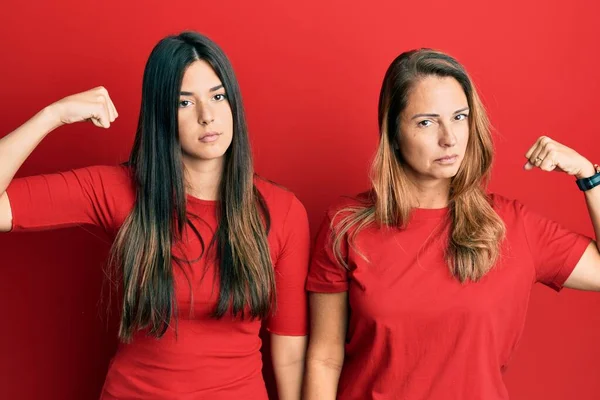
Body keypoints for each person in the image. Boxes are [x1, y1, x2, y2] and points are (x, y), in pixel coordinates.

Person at [0, 31, 309, 400]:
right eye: (184, 103)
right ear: (161, 114)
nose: (207, 116)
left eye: (217, 95)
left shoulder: (281, 211)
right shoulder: (120, 190)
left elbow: (289, 353)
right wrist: (54, 115)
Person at [303, 48, 600, 400]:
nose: (450, 138)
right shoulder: (347, 224)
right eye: (426, 122)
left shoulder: (512, 225)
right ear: (394, 133)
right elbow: (325, 359)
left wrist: (589, 176)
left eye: (459, 117)